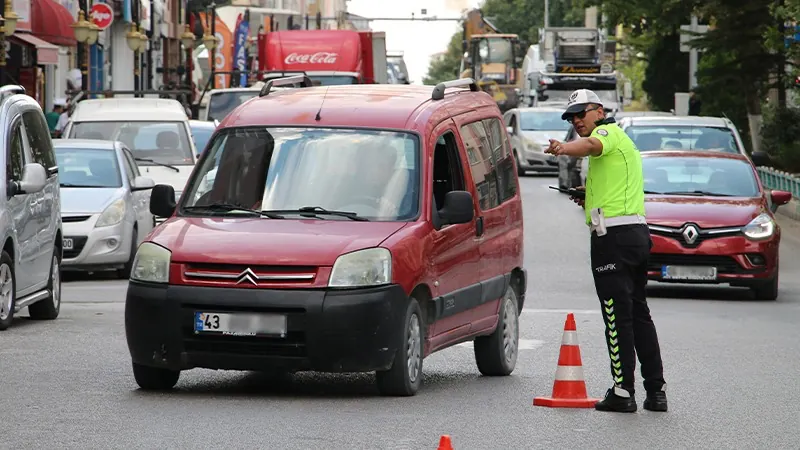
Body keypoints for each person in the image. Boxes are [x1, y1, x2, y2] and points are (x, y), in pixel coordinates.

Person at [544, 89, 668, 413]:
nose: (576, 120)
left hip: (612, 240)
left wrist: (562, 148)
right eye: (571, 117)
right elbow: (616, 189)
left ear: (599, 110)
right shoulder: (620, 145)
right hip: (636, 235)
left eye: (580, 113)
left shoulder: (607, 132)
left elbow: (590, 146)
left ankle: (623, 392)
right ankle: (656, 392)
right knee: (639, 312)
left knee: (616, 315)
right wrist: (588, 195)